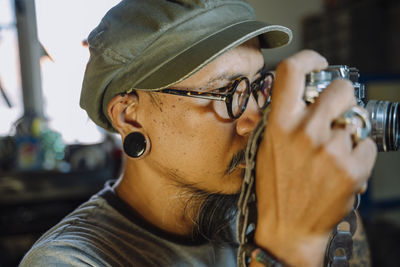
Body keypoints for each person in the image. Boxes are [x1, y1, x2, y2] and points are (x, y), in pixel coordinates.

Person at [20, 0, 377, 266]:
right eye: (226, 93)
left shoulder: (256, 204)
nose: (253, 118)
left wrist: (328, 200)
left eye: (256, 87)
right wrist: (290, 245)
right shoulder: (68, 259)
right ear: (129, 116)